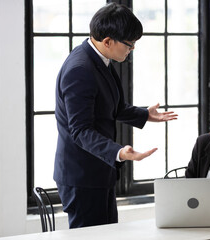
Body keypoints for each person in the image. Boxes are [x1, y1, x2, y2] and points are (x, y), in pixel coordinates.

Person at [54, 2, 177, 229]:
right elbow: (80, 131)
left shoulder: (99, 57)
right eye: (130, 45)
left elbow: (112, 107)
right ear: (108, 41)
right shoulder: (80, 70)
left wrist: (145, 115)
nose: (132, 50)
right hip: (83, 177)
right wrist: (118, 152)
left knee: (109, 233)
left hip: (99, 172)